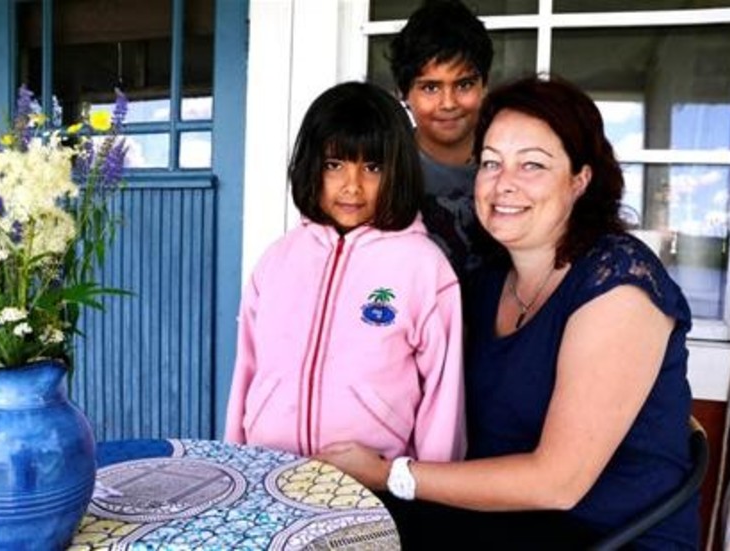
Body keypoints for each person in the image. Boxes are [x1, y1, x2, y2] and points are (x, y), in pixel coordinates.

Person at [317, 75, 700, 550]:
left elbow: (557, 483)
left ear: (580, 179)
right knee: (334, 529)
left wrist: (388, 474)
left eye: (533, 165)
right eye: (492, 163)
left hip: (612, 537)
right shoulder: (486, 282)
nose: (504, 185)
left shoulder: (618, 281)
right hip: (503, 522)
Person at [224, 82, 465, 467]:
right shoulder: (276, 260)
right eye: (334, 165)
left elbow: (443, 395)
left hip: (372, 488)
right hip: (268, 475)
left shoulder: (423, 267)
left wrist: (427, 493)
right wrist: (236, 461)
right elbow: (247, 370)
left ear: (398, 171)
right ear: (311, 167)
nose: (352, 186)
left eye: (372, 167)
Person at [389, 0, 494, 279]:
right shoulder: (385, 170)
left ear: (485, 85)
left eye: (464, 84)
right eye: (430, 87)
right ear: (403, 93)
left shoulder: (510, 167)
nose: (448, 103)